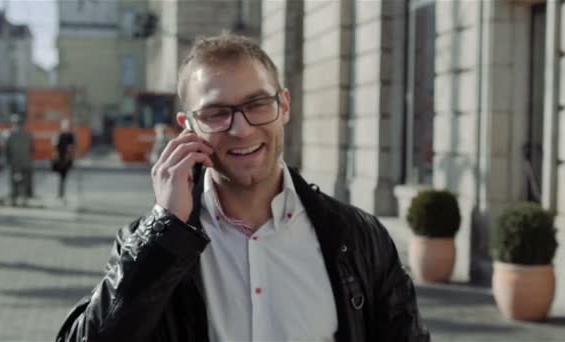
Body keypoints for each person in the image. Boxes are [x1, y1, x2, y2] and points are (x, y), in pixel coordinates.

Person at [56, 33, 430, 342]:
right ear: (189, 126)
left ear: (284, 105)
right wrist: (164, 231)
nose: (242, 128)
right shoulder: (152, 245)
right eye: (217, 113)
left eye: (257, 104)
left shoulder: (358, 238)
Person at [5, 114, 33, 206]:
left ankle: (15, 199)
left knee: (15, 182)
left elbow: (7, 151)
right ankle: (22, 199)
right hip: (25, 163)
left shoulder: (9, 135)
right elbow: (32, 150)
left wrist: (8, 161)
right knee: (23, 182)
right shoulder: (28, 135)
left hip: (15, 163)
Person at [52, 119, 75, 200]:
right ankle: (60, 194)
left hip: (66, 159)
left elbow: (71, 147)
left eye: (66, 126)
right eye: (64, 126)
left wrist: (68, 155)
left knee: (64, 177)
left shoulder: (70, 136)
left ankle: (62, 194)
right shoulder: (59, 135)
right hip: (60, 159)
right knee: (61, 177)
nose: (65, 127)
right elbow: (55, 146)